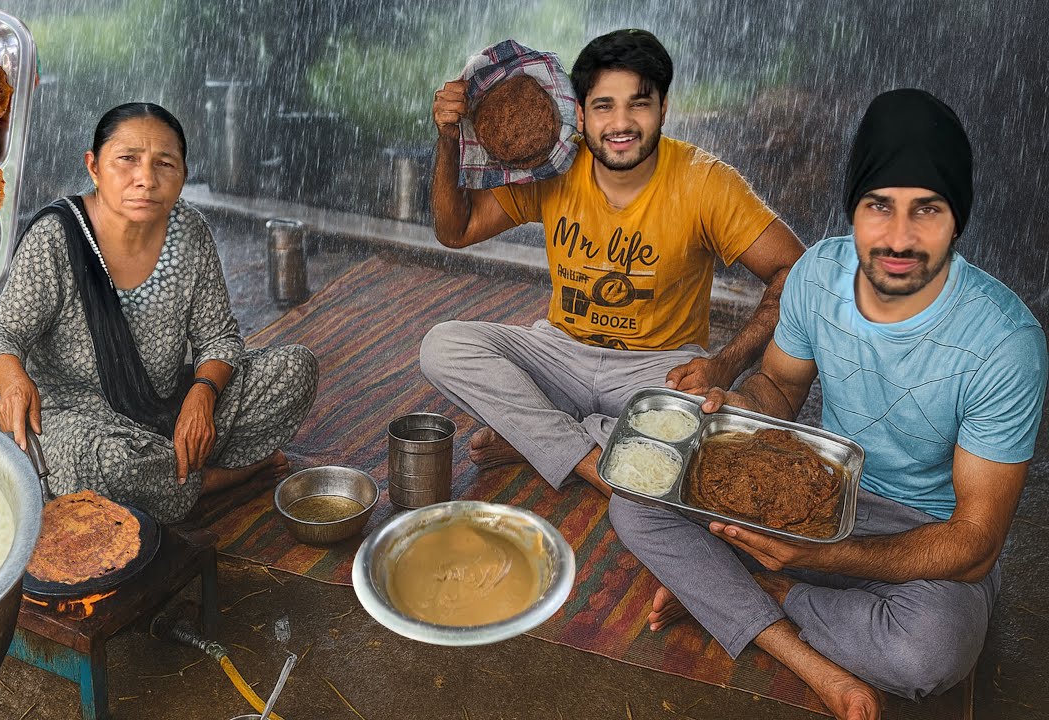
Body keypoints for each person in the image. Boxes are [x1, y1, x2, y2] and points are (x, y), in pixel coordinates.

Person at [611, 89, 1047, 719]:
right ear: (854, 210)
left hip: (927, 535)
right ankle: (803, 647)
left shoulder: (1005, 342)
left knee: (931, 656)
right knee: (636, 505)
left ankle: (761, 589)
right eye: (879, 208)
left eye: (926, 210)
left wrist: (822, 557)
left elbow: (976, 541)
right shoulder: (818, 273)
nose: (899, 238)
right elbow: (780, 390)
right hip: (818, 490)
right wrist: (727, 415)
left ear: (959, 217)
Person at [419, 29, 805, 496]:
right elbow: (455, 231)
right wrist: (448, 139)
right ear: (579, 114)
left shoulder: (707, 182)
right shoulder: (555, 166)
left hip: (657, 371)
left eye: (638, 104)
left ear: (664, 108)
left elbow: (796, 274)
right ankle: (589, 457)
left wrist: (726, 365)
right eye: (603, 106)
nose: (620, 123)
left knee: (708, 439)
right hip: (560, 355)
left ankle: (538, 435)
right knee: (442, 346)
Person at [0, 103, 318, 524]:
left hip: (168, 408)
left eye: (164, 163)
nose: (146, 180)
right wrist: (13, 383)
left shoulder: (189, 232)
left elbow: (219, 338)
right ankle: (228, 476)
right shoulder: (56, 237)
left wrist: (202, 393)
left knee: (295, 369)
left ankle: (168, 481)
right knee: (108, 462)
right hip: (81, 421)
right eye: (127, 160)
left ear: (183, 175)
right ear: (94, 166)